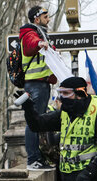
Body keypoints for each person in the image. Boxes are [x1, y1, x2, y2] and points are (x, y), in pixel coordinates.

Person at [20, 5, 57, 170]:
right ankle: (33, 159)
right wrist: (40, 43)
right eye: (45, 16)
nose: (48, 20)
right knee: (33, 122)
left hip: (41, 83)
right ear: (37, 18)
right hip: (35, 83)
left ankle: (37, 158)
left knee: (37, 121)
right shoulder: (30, 33)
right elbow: (29, 46)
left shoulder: (41, 34)